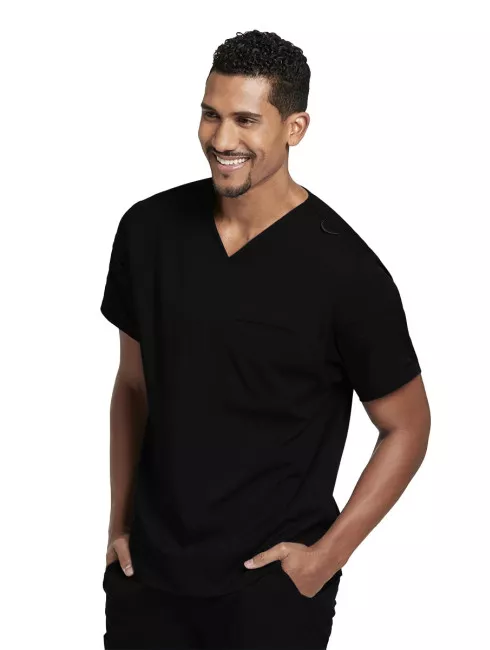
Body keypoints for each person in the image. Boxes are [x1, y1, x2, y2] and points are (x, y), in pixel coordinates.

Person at [100, 29, 431, 650]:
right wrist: (119, 523)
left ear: (294, 128)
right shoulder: (147, 232)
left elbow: (408, 426)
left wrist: (325, 559)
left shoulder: (347, 273)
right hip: (148, 580)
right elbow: (132, 386)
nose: (222, 139)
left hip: (270, 593)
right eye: (211, 115)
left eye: (246, 120)